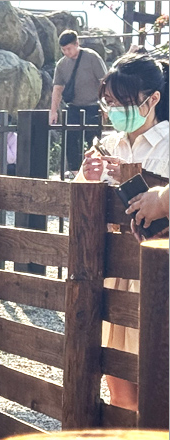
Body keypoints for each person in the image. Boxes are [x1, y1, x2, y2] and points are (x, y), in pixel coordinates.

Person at [76, 52, 169, 411]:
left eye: (123, 102)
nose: (115, 110)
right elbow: (80, 203)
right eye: (110, 102)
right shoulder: (110, 143)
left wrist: (154, 193)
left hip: (157, 276)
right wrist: (88, 175)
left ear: (153, 99)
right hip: (113, 274)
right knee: (118, 387)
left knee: (157, 384)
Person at [49, 30, 107, 174]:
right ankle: (75, 171)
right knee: (70, 140)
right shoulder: (62, 64)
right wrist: (53, 111)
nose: (66, 52)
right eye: (63, 50)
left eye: (69, 48)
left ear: (77, 44)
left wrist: (106, 106)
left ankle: (95, 171)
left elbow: (104, 82)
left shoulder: (92, 57)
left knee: (93, 140)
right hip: (73, 107)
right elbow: (57, 88)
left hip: (93, 106)